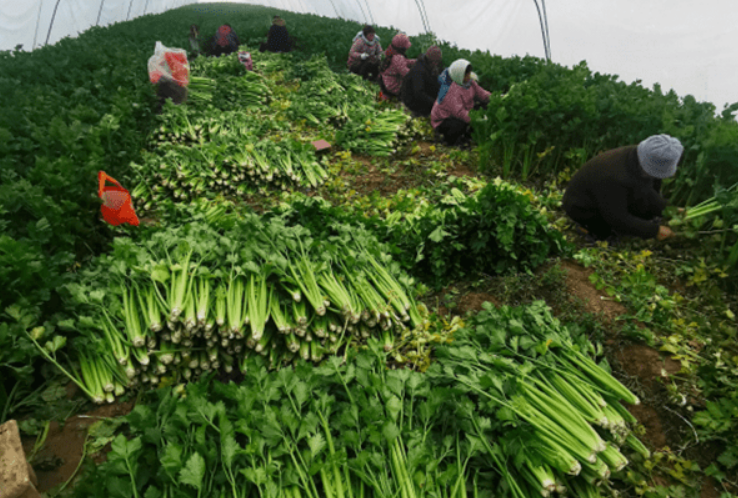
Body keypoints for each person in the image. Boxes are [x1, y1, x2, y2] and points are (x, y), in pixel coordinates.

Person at [562, 134, 684, 241]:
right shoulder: (613, 176)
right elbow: (617, 218)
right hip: (582, 206)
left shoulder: (638, 158)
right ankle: (587, 229)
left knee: (642, 212)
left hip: (608, 197)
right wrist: (654, 231)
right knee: (606, 233)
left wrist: (670, 210)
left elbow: (647, 192)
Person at [430, 59, 491, 146]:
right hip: (444, 119)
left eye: (469, 73)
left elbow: (483, 95)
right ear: (459, 75)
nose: (469, 76)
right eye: (466, 74)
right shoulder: (451, 90)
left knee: (484, 107)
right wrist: (477, 120)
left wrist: (496, 97)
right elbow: (459, 113)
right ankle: (448, 141)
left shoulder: (470, 83)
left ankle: (468, 135)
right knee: (459, 125)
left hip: (465, 111)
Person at [400, 45, 443, 117]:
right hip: (411, 102)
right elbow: (419, 93)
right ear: (433, 61)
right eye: (437, 62)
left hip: (418, 98)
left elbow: (435, 86)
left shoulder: (429, 68)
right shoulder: (419, 70)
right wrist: (435, 104)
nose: (437, 65)